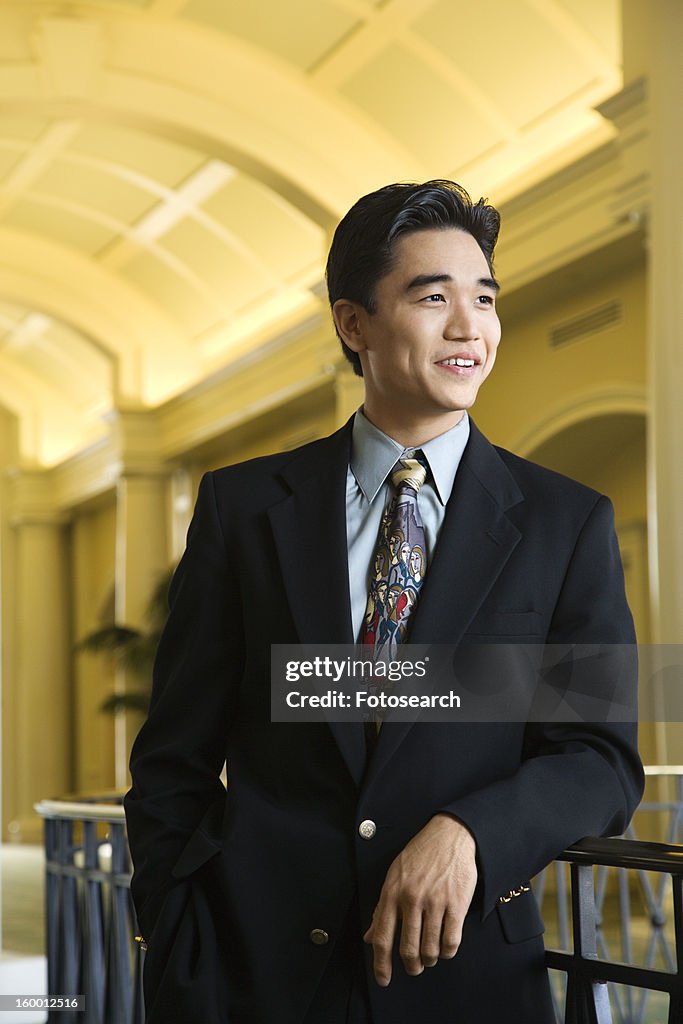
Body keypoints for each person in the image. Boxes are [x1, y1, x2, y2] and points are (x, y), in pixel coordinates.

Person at [124, 180, 643, 1024]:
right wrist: (174, 936)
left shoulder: (564, 521)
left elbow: (598, 754)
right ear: (352, 323)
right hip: (254, 976)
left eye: (483, 298)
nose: (469, 327)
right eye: (431, 297)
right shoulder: (245, 508)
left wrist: (470, 831)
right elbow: (174, 755)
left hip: (464, 979)